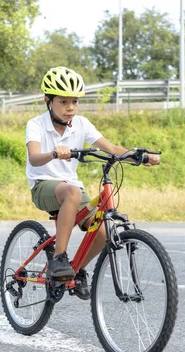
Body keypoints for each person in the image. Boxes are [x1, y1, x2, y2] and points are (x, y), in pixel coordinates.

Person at [25, 66, 160, 299]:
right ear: (48, 101)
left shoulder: (82, 124)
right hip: (43, 184)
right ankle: (59, 258)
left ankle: (75, 271)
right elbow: (35, 158)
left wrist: (139, 156)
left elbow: (112, 149)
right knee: (72, 193)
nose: (70, 108)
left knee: (105, 230)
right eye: (63, 101)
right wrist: (54, 154)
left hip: (71, 188)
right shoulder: (36, 125)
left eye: (75, 102)